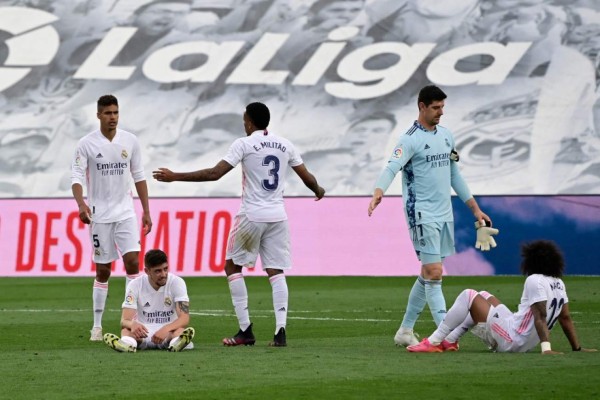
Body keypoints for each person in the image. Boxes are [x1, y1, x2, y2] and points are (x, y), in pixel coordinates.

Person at [152, 102, 325, 347]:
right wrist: (319, 190)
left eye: (245, 120)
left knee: (232, 267)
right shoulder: (285, 144)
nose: (244, 123)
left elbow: (215, 174)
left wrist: (175, 176)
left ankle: (245, 330)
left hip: (252, 215)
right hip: (278, 216)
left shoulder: (244, 144)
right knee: (276, 271)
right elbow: (307, 178)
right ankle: (280, 332)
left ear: (250, 122)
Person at [368, 85, 498, 347]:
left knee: (427, 272)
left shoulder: (447, 136)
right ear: (422, 106)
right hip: (421, 213)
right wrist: (378, 191)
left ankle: (405, 330)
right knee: (435, 273)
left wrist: (474, 208)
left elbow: (454, 175)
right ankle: (446, 334)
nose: (440, 112)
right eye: (436, 108)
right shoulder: (410, 139)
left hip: (444, 213)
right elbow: (392, 166)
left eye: (442, 108)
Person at [407, 240, 598, 354]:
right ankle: (451, 340)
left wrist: (546, 349)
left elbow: (540, 316)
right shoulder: (558, 283)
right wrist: (577, 349)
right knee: (484, 296)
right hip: (520, 337)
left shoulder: (534, 280)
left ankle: (433, 342)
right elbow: (565, 318)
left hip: (512, 340)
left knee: (469, 295)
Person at [71, 94, 152, 341]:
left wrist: (146, 211)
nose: (113, 117)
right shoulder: (86, 144)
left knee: (132, 264)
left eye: (116, 112)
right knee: (103, 270)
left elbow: (139, 176)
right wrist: (81, 204)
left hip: (125, 212)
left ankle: (133, 321)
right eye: (108, 113)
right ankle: (96, 326)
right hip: (100, 216)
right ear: (98, 115)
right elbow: (76, 178)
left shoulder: (130, 141)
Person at [103, 249, 195, 352]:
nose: (164, 274)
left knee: (179, 330)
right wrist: (132, 324)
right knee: (126, 330)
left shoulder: (177, 282)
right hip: (143, 332)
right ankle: (127, 345)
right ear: (147, 271)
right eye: (158, 271)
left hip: (168, 331)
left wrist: (166, 328)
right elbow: (124, 320)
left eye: (165, 269)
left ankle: (176, 344)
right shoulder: (135, 285)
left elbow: (184, 318)